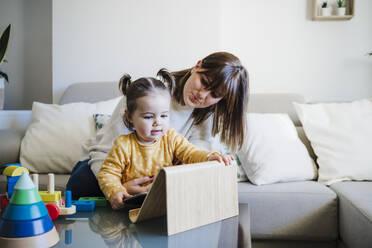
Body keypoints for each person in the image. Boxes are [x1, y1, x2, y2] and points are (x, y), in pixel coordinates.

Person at [66, 51, 249, 200]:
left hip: (155, 179)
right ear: (197, 65)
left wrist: (211, 158)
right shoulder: (148, 94)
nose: (202, 95)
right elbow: (102, 155)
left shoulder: (207, 114)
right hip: (106, 168)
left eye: (214, 94)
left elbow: (193, 162)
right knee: (82, 182)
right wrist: (118, 187)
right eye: (204, 83)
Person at [99, 70, 234, 209]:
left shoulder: (171, 138)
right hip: (132, 203)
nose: (158, 123)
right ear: (130, 117)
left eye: (164, 116)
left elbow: (191, 153)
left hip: (165, 204)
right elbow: (107, 173)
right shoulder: (123, 144)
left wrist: (210, 156)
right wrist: (116, 191)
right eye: (148, 117)